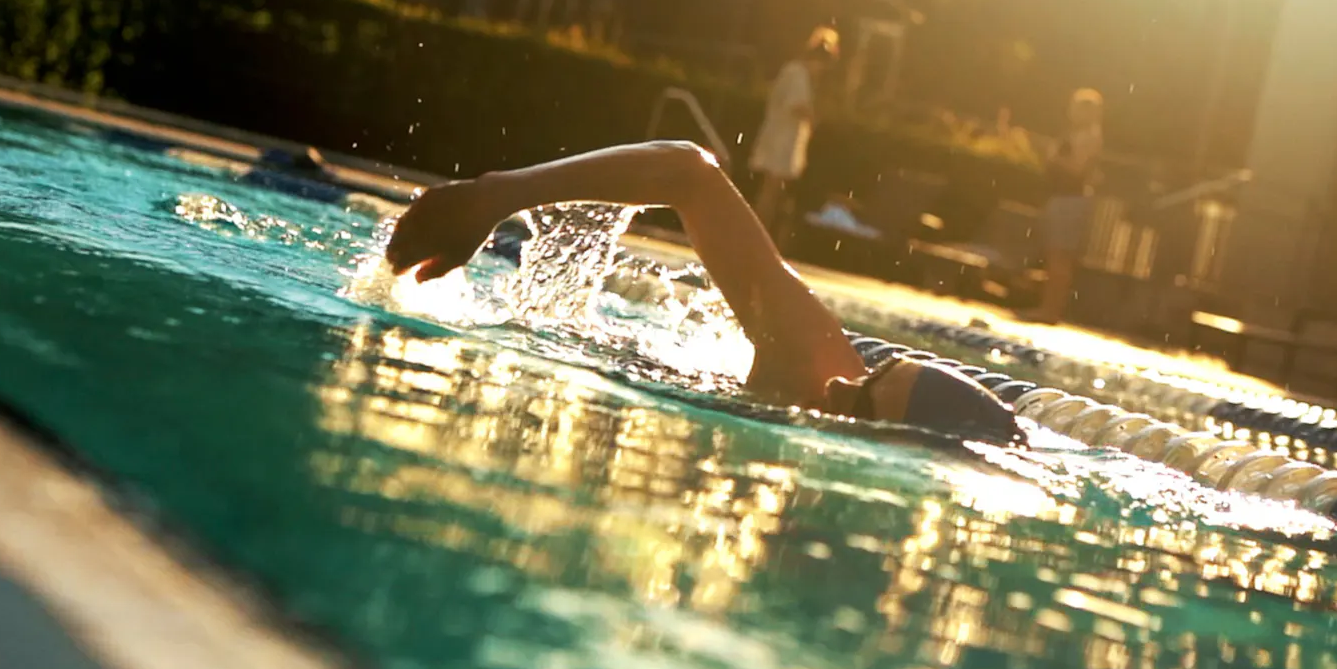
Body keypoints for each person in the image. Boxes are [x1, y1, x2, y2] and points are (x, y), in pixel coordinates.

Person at [384, 139, 1021, 442]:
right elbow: (686, 171)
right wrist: (498, 195)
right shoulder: (814, 364)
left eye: (859, 404)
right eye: (869, 373)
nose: (838, 383)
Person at [1019, 88, 1104, 324]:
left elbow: (1078, 168)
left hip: (1071, 199)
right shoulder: (1077, 133)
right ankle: (1046, 308)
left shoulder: (1089, 135)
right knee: (1053, 256)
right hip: (1062, 197)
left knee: (1060, 259)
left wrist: (1052, 156)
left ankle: (1050, 311)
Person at [750, 28, 839, 232]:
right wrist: (815, 117)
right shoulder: (797, 73)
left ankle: (761, 231)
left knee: (774, 191)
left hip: (785, 140)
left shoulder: (796, 72)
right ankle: (757, 231)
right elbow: (797, 106)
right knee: (770, 192)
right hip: (781, 141)